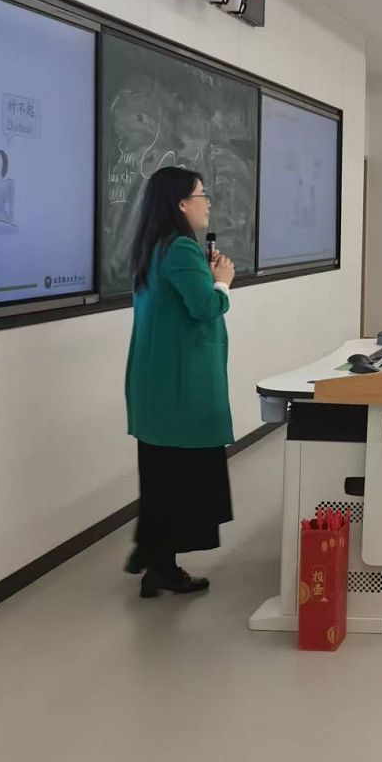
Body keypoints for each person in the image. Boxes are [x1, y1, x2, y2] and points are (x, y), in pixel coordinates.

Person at [124, 166, 237, 597]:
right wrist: (222, 283)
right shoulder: (181, 249)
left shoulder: (154, 247)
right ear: (181, 203)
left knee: (162, 477)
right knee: (183, 481)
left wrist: (206, 277)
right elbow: (206, 307)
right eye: (201, 195)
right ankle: (158, 561)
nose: (207, 203)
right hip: (181, 388)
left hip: (158, 385)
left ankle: (155, 558)